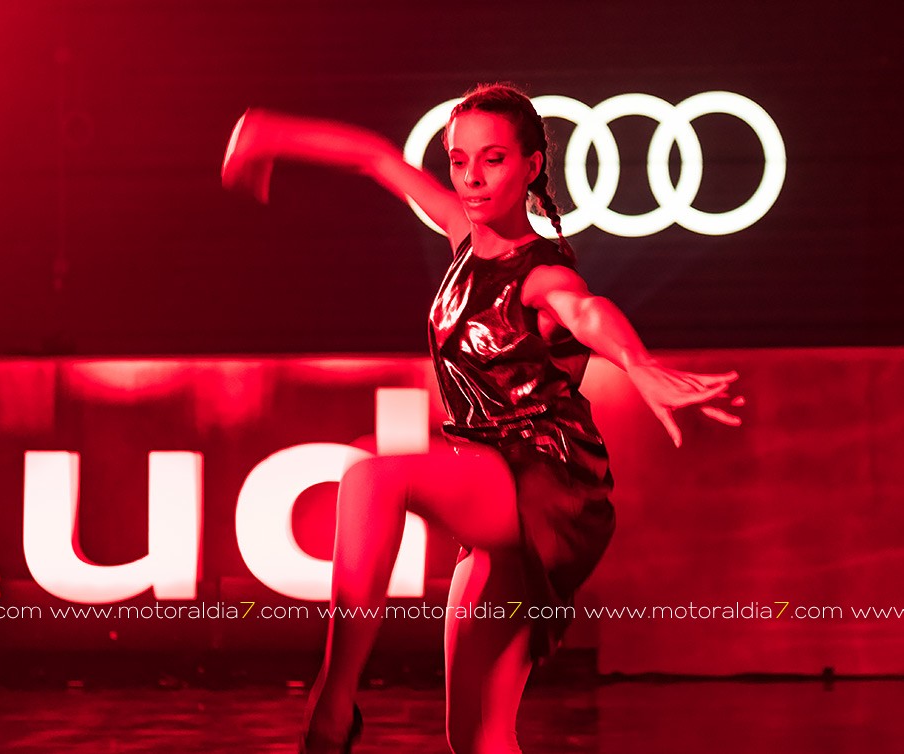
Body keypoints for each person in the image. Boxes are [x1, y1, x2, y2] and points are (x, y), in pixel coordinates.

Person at [220, 83, 742, 754]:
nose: (471, 177)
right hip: (488, 484)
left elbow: (586, 311)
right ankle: (340, 705)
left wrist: (637, 362)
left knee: (373, 479)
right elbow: (375, 158)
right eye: (459, 160)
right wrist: (269, 134)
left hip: (544, 478)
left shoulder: (541, 274)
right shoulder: (462, 235)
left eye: (492, 159)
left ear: (531, 166)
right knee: (478, 737)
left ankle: (333, 702)